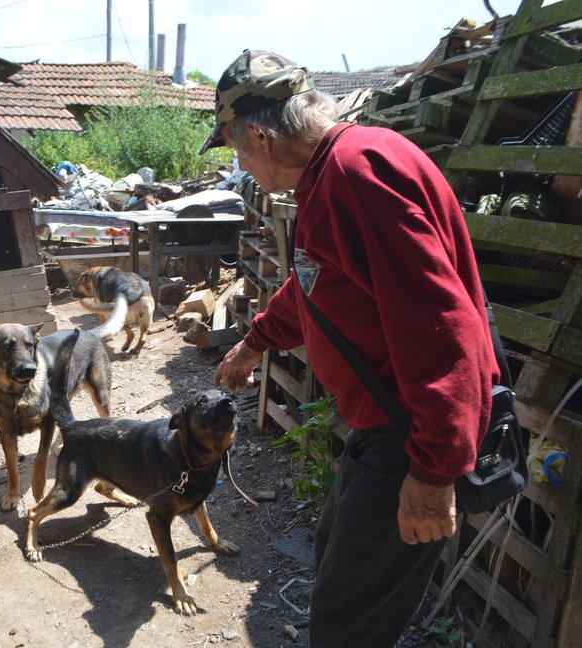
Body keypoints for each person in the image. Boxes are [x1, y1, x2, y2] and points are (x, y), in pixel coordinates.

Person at [203, 50, 499, 647]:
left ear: (260, 136)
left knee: (349, 623)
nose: (241, 165)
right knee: (339, 573)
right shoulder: (337, 171)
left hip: (406, 437)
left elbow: (443, 328)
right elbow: (317, 283)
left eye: (236, 150)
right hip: (385, 430)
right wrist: (253, 343)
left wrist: (434, 471)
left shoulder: (357, 176)